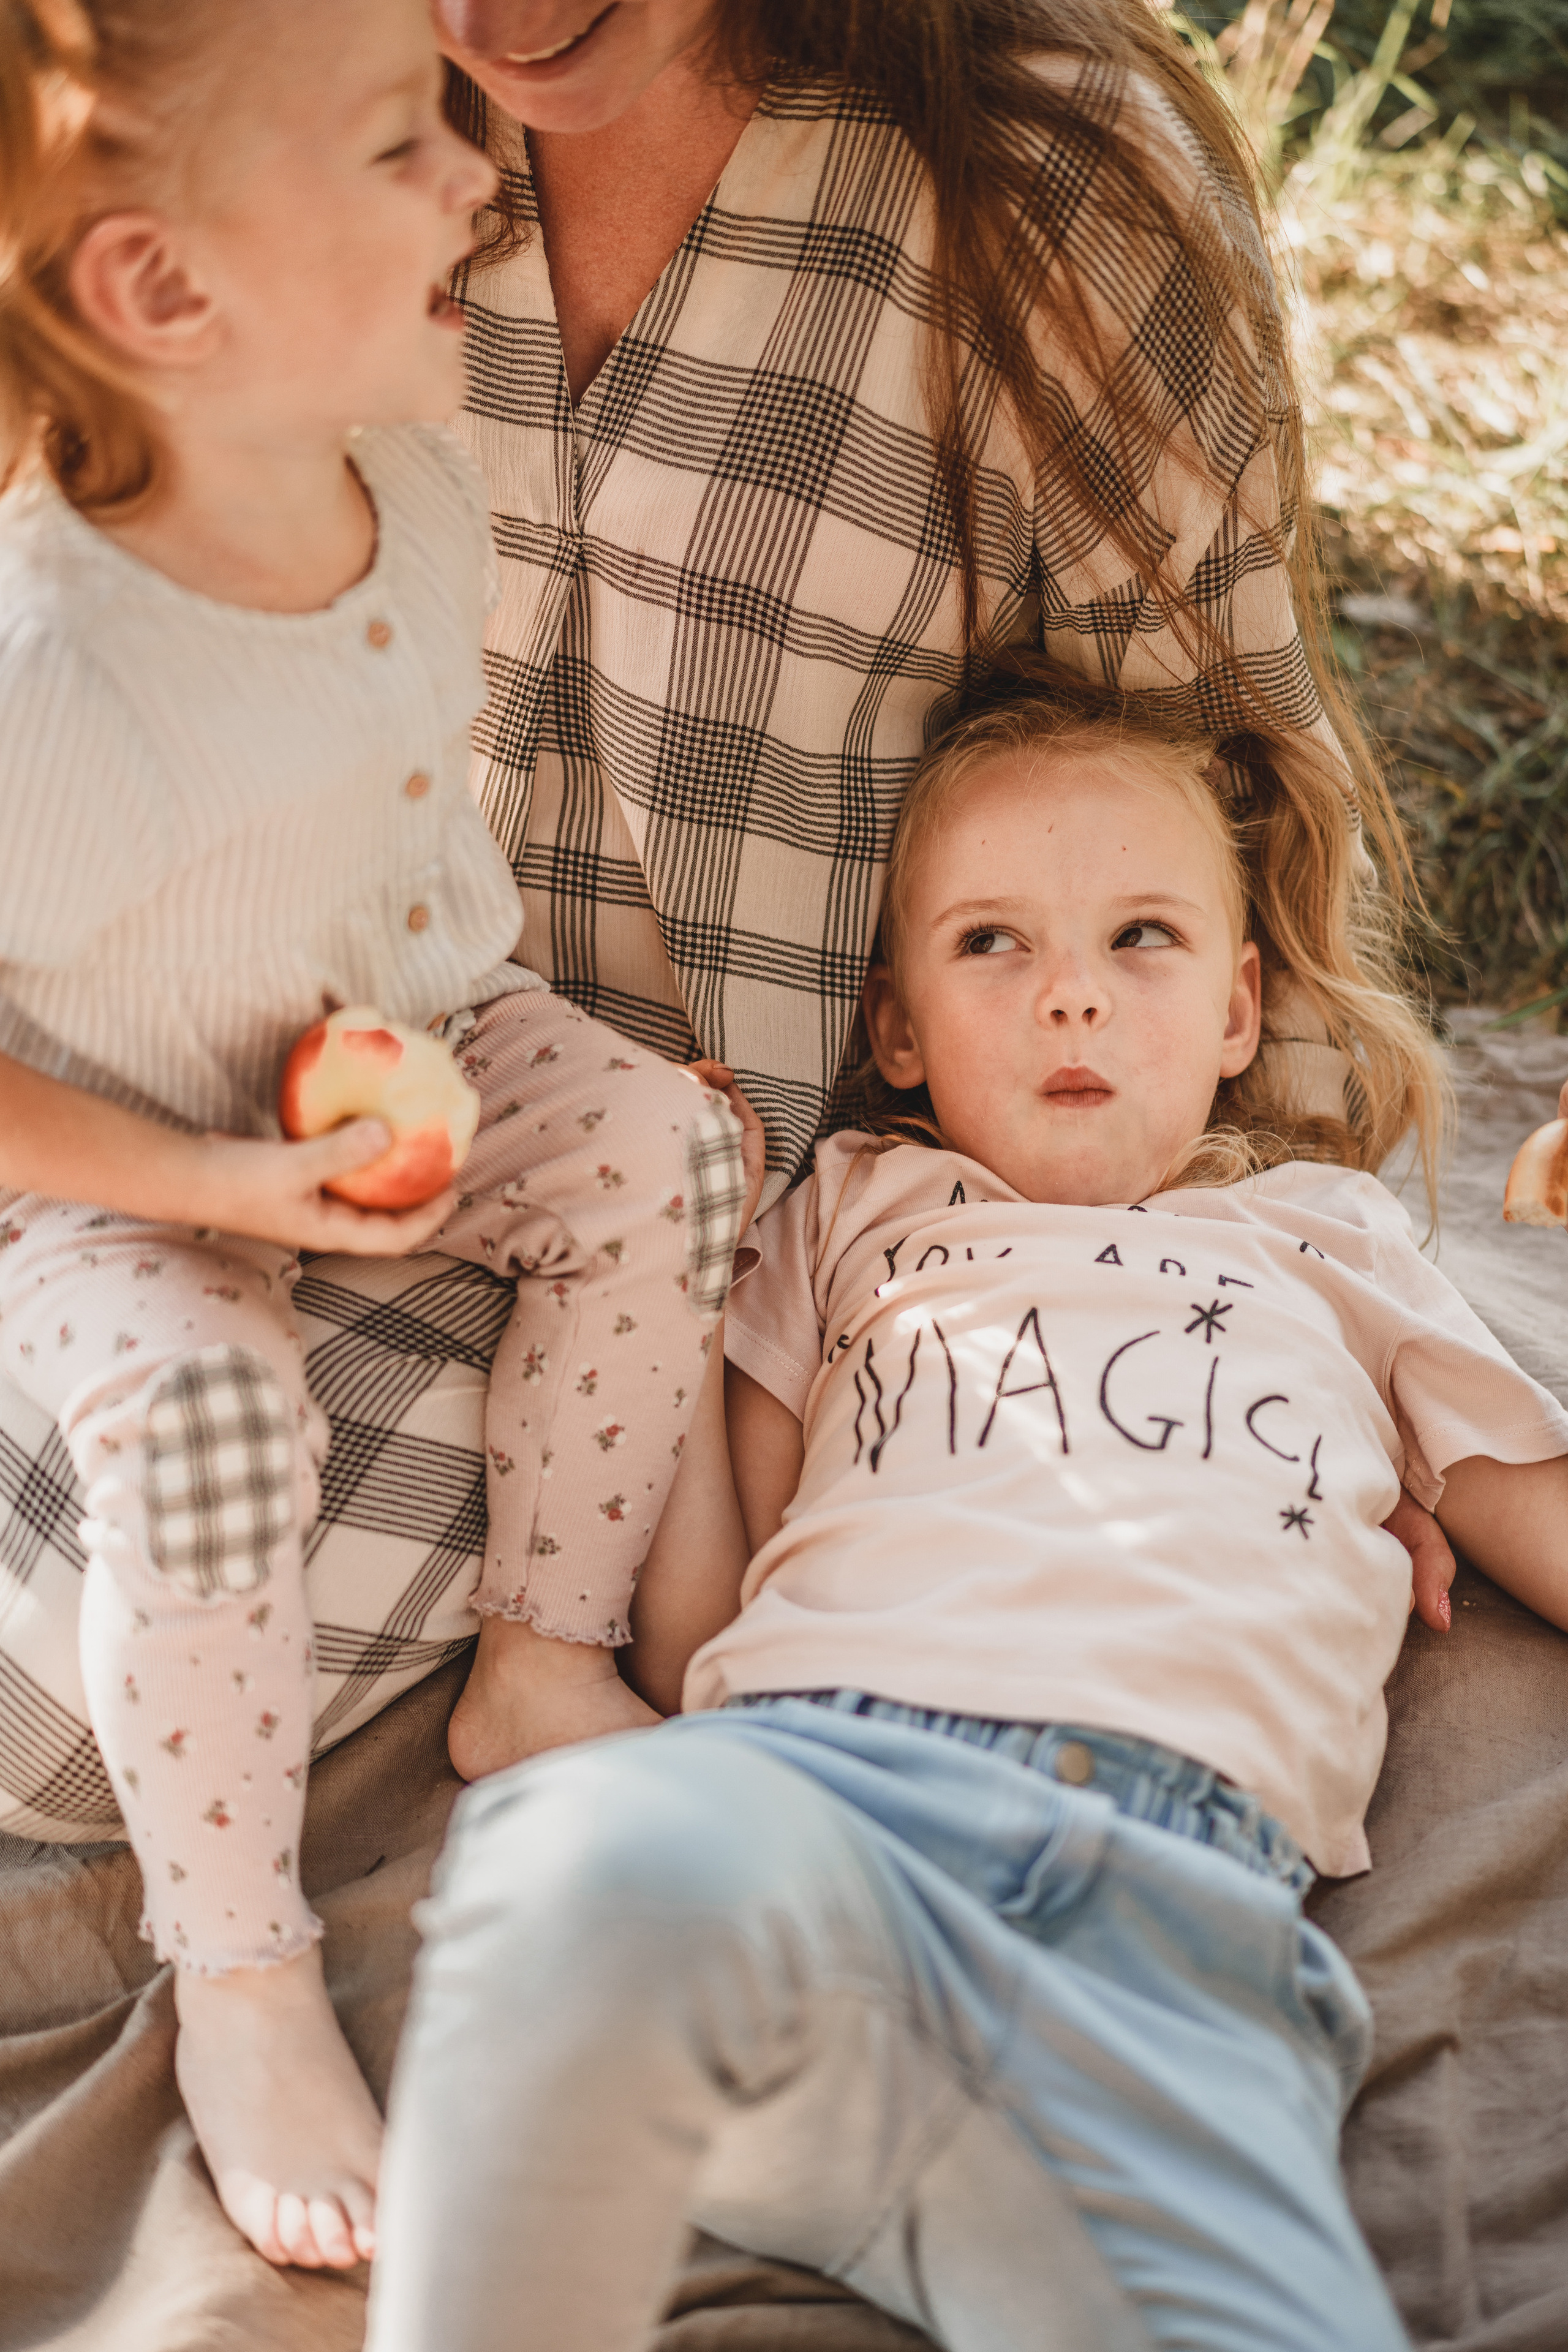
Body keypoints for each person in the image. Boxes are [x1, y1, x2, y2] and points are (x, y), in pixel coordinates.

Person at [0, 0, 1452, 1845]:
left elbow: (1193, 792)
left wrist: (1269, 1325)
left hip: (755, 1216)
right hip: (290, 1086)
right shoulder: (252, 111)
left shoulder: (1053, 186)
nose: (494, 22)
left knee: (59, 1712)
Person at [364, 670, 1568, 2351]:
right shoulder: (860, 1209)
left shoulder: (1334, 1240)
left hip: (1167, 1950)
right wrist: (706, 1295)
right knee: (575, 1865)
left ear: (1240, 1009)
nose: (1071, 996)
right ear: (898, 1029)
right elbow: (708, 1625)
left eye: (1140, 937)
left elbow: (1542, 1522)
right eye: (993, 943)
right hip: (828, 1818)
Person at [0, 0, 745, 2273]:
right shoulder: (63, 676)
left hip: (405, 1042)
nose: (472, 181)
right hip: (122, 1154)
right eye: (393, 147)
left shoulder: (413, 479)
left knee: (663, 1154)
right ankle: (235, 1970)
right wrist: (224, 1190)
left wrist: (437, 1075)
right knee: (211, 1426)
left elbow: (406, 871)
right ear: (163, 291)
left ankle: (541, 1654)